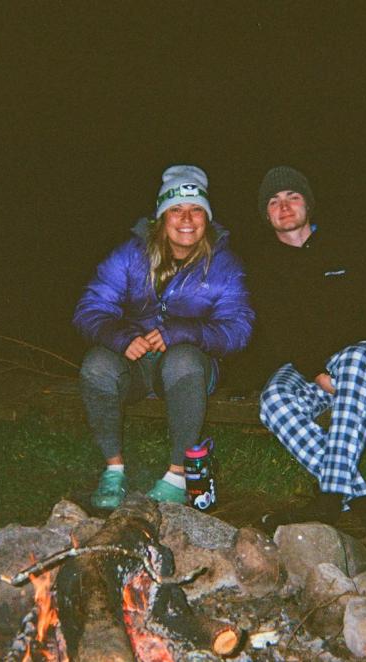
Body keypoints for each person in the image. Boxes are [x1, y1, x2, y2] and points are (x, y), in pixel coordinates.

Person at [247, 165, 366, 542]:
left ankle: (327, 499)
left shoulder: (350, 247)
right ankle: (363, 501)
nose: (284, 206)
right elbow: (278, 333)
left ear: (309, 203)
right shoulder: (263, 268)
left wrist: (356, 352)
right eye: (273, 201)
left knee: (354, 361)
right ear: (266, 214)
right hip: (312, 368)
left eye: (292, 196)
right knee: (274, 399)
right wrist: (316, 372)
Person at [73, 165, 254, 510]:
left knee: (182, 359)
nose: (187, 218)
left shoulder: (224, 264)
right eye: (176, 209)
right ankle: (113, 471)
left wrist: (183, 332)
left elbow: (239, 328)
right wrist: (121, 337)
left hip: (192, 367)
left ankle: (177, 475)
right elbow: (90, 306)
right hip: (137, 364)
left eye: (196, 209)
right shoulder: (129, 254)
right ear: (161, 217)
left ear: (207, 217)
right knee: (96, 364)